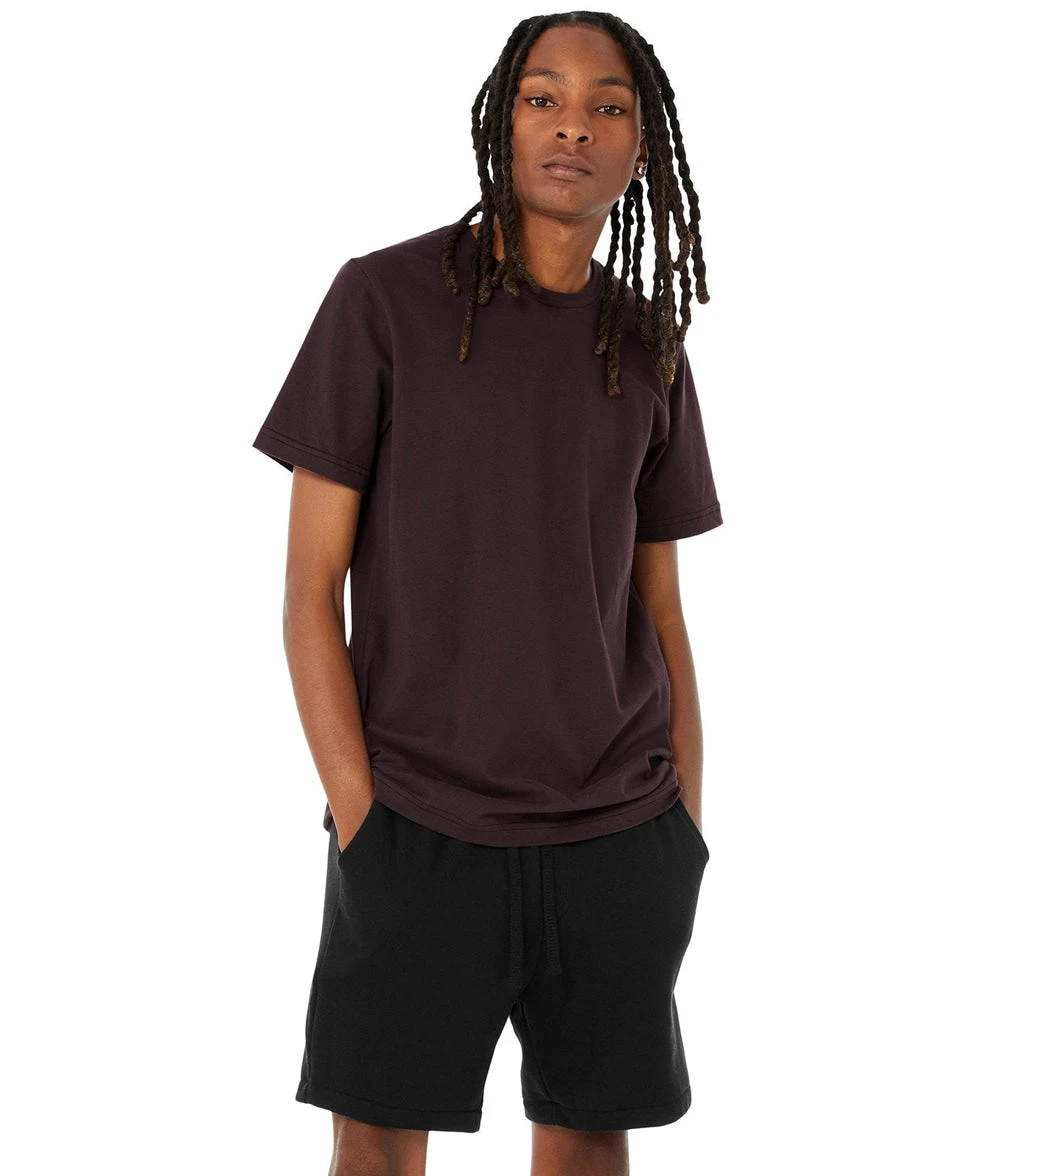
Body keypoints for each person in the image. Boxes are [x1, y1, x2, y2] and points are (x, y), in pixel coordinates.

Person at [252, 12, 723, 1176]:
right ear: (502, 123)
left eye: (608, 106)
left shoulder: (647, 341)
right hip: (418, 824)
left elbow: (661, 609)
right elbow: (310, 589)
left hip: (619, 832)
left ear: (644, 146)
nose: (574, 126)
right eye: (543, 97)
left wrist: (682, 825)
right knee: (375, 1143)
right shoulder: (383, 301)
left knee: (591, 1140)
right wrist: (361, 814)